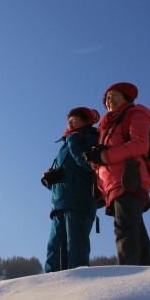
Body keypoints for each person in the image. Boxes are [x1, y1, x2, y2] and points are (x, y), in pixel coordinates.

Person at [85, 82, 150, 266]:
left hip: (129, 179)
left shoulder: (135, 114)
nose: (110, 100)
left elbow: (141, 144)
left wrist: (104, 156)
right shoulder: (107, 126)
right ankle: (148, 274)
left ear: (126, 97)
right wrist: (96, 161)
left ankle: (128, 275)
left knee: (125, 227)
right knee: (134, 227)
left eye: (114, 95)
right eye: (107, 98)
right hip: (113, 183)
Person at [43, 107, 101, 272]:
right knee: (54, 249)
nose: (69, 123)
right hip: (60, 202)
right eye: (69, 120)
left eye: (74, 119)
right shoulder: (66, 144)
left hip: (80, 201)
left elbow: (86, 163)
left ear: (86, 121)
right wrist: (52, 177)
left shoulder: (89, 137)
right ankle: (49, 287)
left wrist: (74, 139)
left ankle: (78, 286)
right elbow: (69, 172)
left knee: (75, 247)